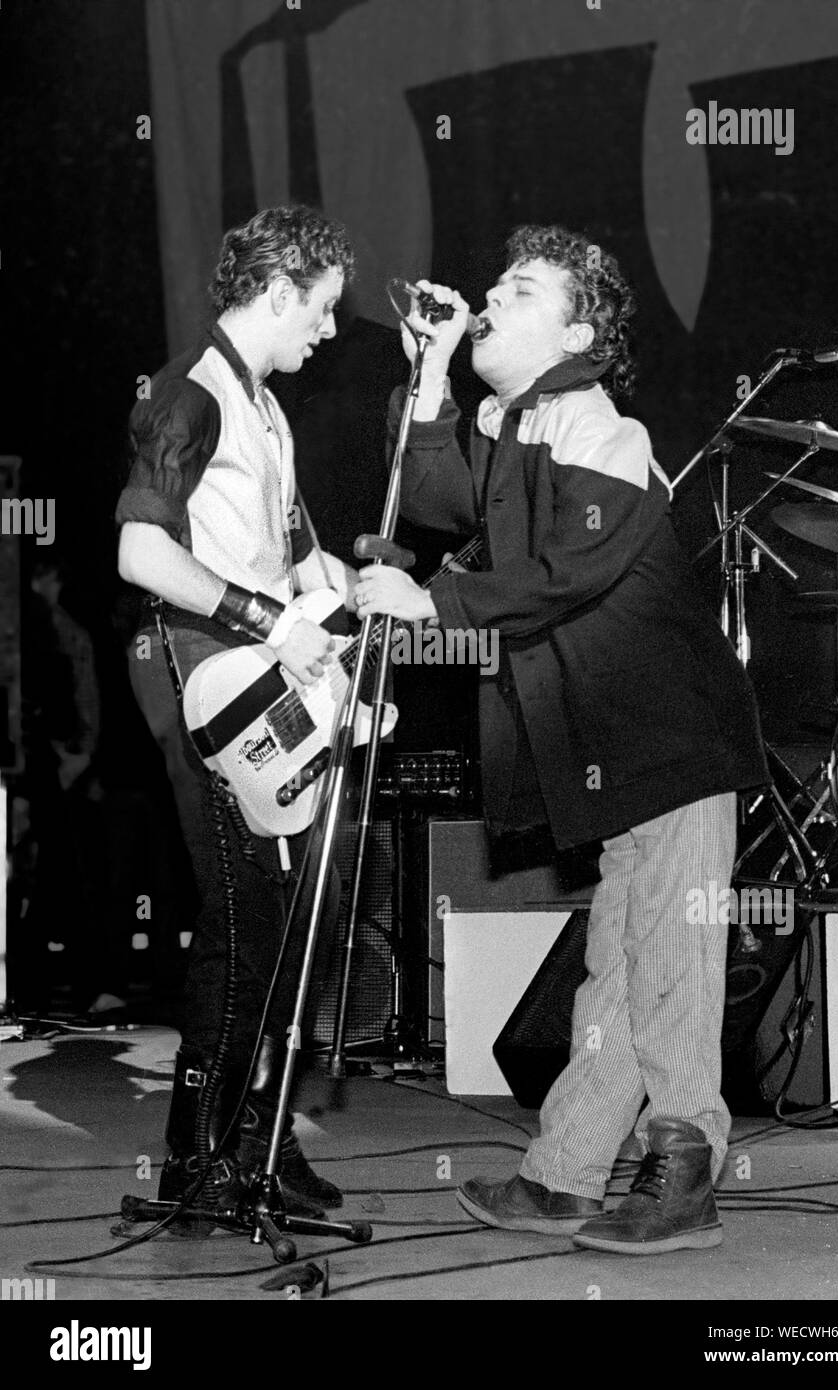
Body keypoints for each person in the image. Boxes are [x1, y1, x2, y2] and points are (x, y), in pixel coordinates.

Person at [355, 224, 770, 1254]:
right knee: (617, 970)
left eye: (520, 287)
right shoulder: (513, 434)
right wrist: (436, 365)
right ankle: (566, 1173)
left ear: (576, 330)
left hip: (669, 740)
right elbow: (427, 491)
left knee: (667, 962)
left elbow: (566, 567)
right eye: (493, 280)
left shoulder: (598, 425)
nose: (491, 292)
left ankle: (682, 1175)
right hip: (616, 755)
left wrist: (432, 600)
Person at [116, 204, 359, 1229]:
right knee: (243, 914)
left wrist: (358, 600)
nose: (332, 331)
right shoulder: (190, 395)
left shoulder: (265, 407)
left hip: (266, 682)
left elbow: (299, 554)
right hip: (199, 675)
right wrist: (268, 617)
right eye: (323, 308)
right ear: (275, 293)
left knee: (310, 910)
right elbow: (139, 554)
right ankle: (195, 1161)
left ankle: (257, 1137)